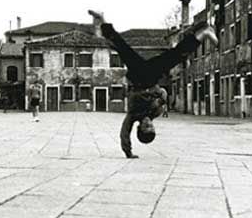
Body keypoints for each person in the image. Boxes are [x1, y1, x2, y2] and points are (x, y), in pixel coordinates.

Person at [88, 10, 218, 158]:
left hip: (138, 75)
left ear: (140, 128)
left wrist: (128, 152)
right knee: (175, 55)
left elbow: (124, 133)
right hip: (151, 75)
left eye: (146, 126)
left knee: (121, 46)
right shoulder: (156, 111)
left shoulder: (132, 115)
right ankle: (202, 34)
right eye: (151, 126)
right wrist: (158, 93)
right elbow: (163, 93)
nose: (149, 123)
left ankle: (102, 19)